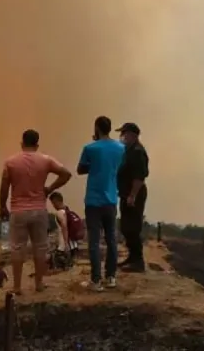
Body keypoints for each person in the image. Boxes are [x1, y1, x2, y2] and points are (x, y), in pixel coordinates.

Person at [0, 129, 72, 294]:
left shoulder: (11, 162)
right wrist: (49, 189)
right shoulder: (45, 160)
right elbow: (66, 174)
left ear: (22, 143)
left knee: (17, 248)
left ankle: (17, 286)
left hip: (18, 210)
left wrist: (2, 206)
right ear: (37, 144)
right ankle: (39, 284)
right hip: (39, 209)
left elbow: (4, 187)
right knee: (40, 247)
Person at [77, 116, 125, 291]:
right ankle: (111, 277)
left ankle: (96, 281)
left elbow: (80, 169)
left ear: (97, 128)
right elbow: (120, 167)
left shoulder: (90, 148)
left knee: (94, 242)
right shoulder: (121, 148)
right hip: (111, 199)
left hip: (93, 200)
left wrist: (95, 164)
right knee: (111, 239)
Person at [116, 122, 149, 272]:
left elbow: (139, 177)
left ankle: (138, 261)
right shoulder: (128, 150)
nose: (122, 136)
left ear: (132, 135)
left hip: (134, 194)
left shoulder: (137, 151)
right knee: (126, 227)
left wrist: (132, 195)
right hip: (126, 193)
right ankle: (132, 257)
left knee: (133, 227)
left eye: (124, 133)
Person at [49, 191, 84, 261]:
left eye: (53, 203)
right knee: (71, 266)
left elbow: (64, 227)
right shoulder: (69, 212)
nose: (53, 205)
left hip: (64, 247)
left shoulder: (60, 213)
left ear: (56, 201)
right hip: (74, 245)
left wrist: (65, 244)